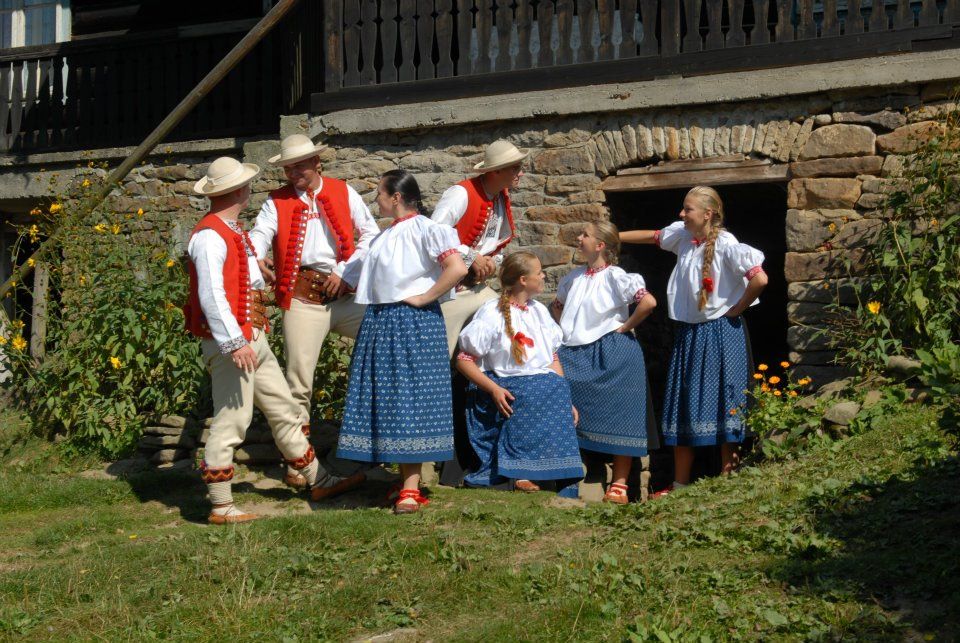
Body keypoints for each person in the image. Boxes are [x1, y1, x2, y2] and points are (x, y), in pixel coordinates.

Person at [183, 156, 322, 524]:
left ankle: (317, 479)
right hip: (234, 345)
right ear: (238, 191)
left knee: (284, 408)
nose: (249, 188)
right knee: (232, 420)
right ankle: (221, 504)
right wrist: (234, 342)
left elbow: (243, 282)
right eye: (246, 184)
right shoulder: (210, 236)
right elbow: (212, 295)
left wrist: (259, 289)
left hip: (253, 339)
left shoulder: (231, 232)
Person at [249, 134, 379, 493]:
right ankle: (298, 463)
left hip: (346, 294)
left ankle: (387, 443)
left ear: (316, 163)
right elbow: (260, 235)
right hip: (304, 298)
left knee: (386, 335)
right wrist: (257, 255)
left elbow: (370, 234)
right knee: (298, 382)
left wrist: (346, 271)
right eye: (288, 167)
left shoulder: (343, 191)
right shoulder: (276, 203)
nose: (293, 172)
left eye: (299, 165)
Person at [620, 186, 768, 494]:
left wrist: (736, 309)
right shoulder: (683, 237)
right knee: (684, 402)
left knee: (728, 403)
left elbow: (760, 278)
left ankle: (729, 482)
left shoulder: (727, 244)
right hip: (690, 333)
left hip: (721, 334)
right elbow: (652, 236)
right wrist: (614, 238)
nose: (681, 214)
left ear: (708, 214)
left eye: (687, 209)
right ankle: (680, 484)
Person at [337, 170, 468, 514]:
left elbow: (456, 268)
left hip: (413, 322)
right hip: (381, 321)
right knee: (389, 396)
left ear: (396, 196)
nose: (376, 200)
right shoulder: (383, 237)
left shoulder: (427, 229)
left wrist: (426, 297)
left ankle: (411, 486)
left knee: (409, 396)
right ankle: (404, 478)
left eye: (379, 193)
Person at [456, 252, 583, 497]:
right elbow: (464, 361)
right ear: (524, 280)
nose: (544, 276)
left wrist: (566, 401)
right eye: (539, 273)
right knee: (536, 391)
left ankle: (564, 478)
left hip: (540, 387)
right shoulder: (491, 312)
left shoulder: (539, 312)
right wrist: (493, 389)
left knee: (556, 388)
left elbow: (552, 359)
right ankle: (522, 471)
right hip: (502, 386)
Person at [552, 221, 658, 504]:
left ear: (600, 245)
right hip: (573, 354)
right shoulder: (572, 278)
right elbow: (557, 306)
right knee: (564, 409)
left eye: (584, 235)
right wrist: (563, 330)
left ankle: (619, 485)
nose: (579, 238)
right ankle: (572, 474)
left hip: (613, 353)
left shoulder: (617, 276)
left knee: (623, 412)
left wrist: (625, 327)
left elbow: (648, 302)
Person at [432, 139, 527, 355]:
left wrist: (493, 261)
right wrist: (469, 254)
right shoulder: (461, 193)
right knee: (442, 353)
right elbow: (434, 232)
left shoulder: (500, 197)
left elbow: (494, 244)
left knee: (505, 324)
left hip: (473, 288)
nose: (520, 173)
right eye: (515, 168)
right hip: (447, 292)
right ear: (495, 172)